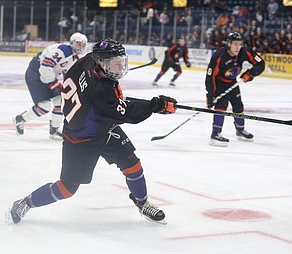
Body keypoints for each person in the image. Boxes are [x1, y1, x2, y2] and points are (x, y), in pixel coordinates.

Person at [5, 38, 177, 225]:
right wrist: (157, 105)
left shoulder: (88, 60)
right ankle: (25, 203)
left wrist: (115, 91)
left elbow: (109, 98)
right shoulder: (101, 93)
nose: (120, 67)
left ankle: (142, 203)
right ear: (101, 63)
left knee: (132, 164)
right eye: (115, 64)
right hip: (80, 138)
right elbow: (128, 112)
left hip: (102, 127)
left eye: (121, 62)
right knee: (67, 188)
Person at [13, 32, 88, 139]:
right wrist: (53, 84)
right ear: (72, 43)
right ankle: (20, 119)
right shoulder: (64, 50)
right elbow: (45, 67)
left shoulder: (74, 59)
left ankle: (54, 129)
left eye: (83, 45)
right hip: (36, 73)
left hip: (49, 75)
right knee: (45, 106)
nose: (80, 47)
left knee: (60, 102)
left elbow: (69, 77)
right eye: (78, 44)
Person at [205, 32, 265, 147]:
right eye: (235, 44)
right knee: (221, 107)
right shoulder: (219, 56)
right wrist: (210, 95)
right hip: (220, 84)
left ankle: (240, 130)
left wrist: (250, 74)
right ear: (229, 44)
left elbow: (260, 63)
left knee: (238, 106)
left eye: (240, 44)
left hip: (232, 83)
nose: (238, 47)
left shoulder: (244, 52)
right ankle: (215, 134)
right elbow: (210, 76)